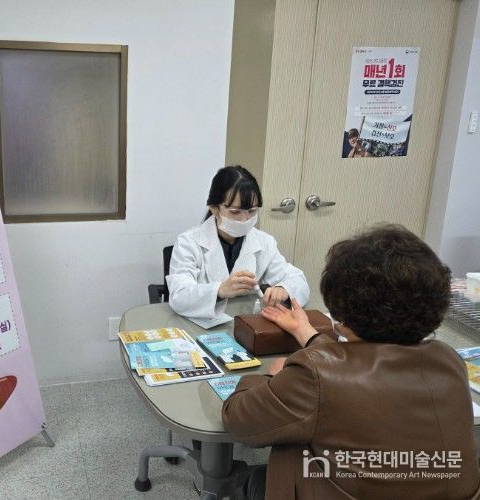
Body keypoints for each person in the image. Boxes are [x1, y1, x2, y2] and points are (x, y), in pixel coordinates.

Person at [222, 224, 480, 500]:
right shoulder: (448, 359)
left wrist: (273, 379)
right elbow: (362, 365)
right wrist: (307, 333)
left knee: (252, 477)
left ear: (341, 311)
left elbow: (238, 420)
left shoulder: (314, 375)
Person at [166, 165, 309, 319]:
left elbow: (298, 281)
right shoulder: (188, 242)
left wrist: (283, 289)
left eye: (252, 211)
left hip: (247, 321)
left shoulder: (265, 242)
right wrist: (220, 290)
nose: (244, 219)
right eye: (235, 212)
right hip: (199, 322)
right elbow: (179, 296)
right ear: (214, 209)